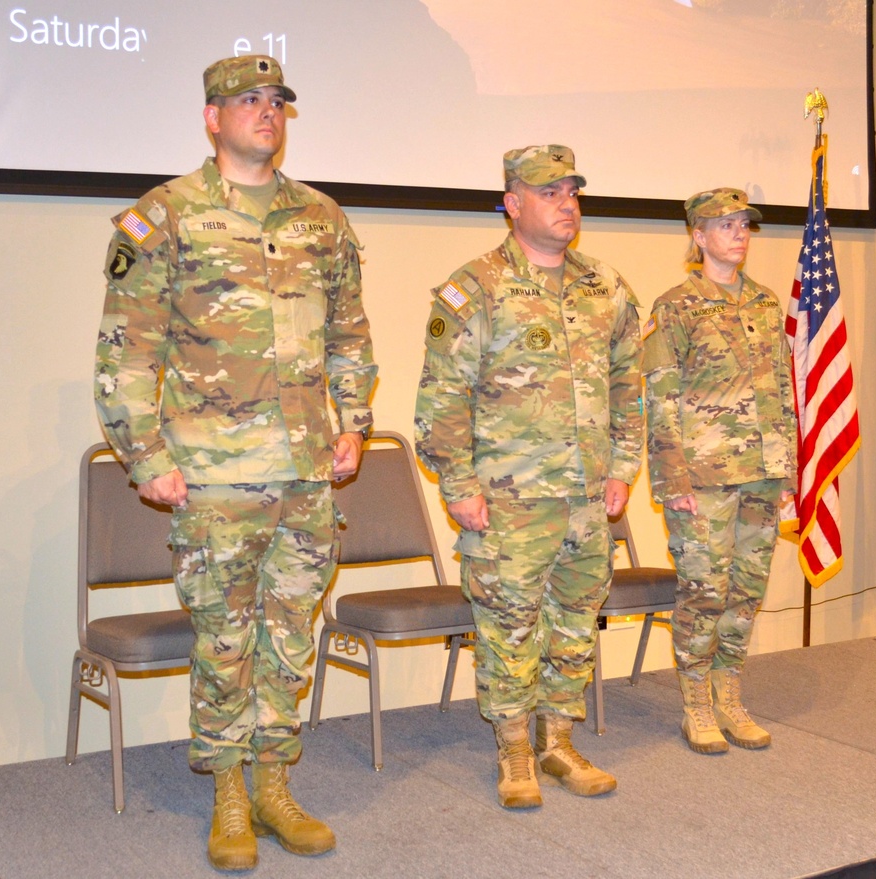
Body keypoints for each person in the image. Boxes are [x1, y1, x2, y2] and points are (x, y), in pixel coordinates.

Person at [94, 55, 377, 871]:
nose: (266, 111)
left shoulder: (322, 218)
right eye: (247, 100)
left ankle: (274, 782)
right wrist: (143, 454)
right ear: (212, 117)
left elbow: (350, 331)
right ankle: (227, 791)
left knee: (290, 632)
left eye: (276, 100)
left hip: (306, 471)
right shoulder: (164, 217)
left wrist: (355, 421)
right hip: (214, 476)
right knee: (225, 637)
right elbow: (126, 350)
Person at [415, 145, 642, 809]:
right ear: (513, 203)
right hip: (509, 501)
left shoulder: (606, 285)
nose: (566, 202)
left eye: (572, 189)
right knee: (509, 627)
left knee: (575, 622)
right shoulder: (475, 287)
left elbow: (630, 382)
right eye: (549, 191)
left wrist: (624, 466)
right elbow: (442, 398)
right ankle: (515, 749)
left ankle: (558, 741)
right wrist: (458, 484)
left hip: (585, 498)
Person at [642, 188, 796, 755]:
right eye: (725, 224)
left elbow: (783, 389)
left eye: (744, 224)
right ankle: (696, 705)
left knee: (747, 589)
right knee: (705, 591)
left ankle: (730, 695)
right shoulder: (673, 307)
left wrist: (789, 472)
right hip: (703, 477)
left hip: (762, 471)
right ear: (698, 237)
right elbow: (658, 402)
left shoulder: (764, 302)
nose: (739, 232)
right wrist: (670, 481)